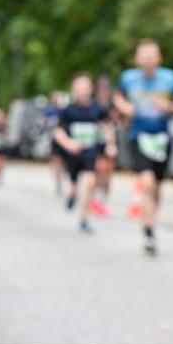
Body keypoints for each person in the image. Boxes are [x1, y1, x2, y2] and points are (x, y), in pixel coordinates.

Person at [113, 39, 173, 255]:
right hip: (138, 135)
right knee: (146, 182)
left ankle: (150, 221)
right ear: (137, 58)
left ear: (158, 58)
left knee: (156, 186)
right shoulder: (128, 78)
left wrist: (171, 106)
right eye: (143, 55)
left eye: (151, 55)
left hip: (162, 138)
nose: (147, 59)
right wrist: (124, 106)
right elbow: (118, 97)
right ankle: (148, 230)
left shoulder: (170, 78)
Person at [53, 73, 117, 234]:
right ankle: (72, 196)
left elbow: (107, 127)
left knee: (89, 182)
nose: (83, 90)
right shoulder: (68, 110)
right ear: (74, 89)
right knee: (74, 186)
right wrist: (68, 143)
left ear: (91, 89)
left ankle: (84, 220)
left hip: (90, 152)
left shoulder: (98, 109)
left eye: (86, 87)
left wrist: (110, 144)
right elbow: (58, 132)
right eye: (79, 87)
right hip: (73, 155)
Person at [90, 75, 116, 218]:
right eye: (101, 88)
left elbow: (114, 123)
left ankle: (103, 200)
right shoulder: (93, 104)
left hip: (109, 140)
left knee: (108, 172)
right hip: (96, 140)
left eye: (106, 88)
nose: (104, 91)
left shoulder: (112, 104)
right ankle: (95, 200)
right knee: (98, 169)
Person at [45, 91, 65, 197]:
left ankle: (63, 177)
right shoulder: (50, 110)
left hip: (64, 140)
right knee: (56, 161)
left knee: (64, 162)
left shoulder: (64, 110)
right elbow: (46, 123)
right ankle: (58, 183)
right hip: (53, 139)